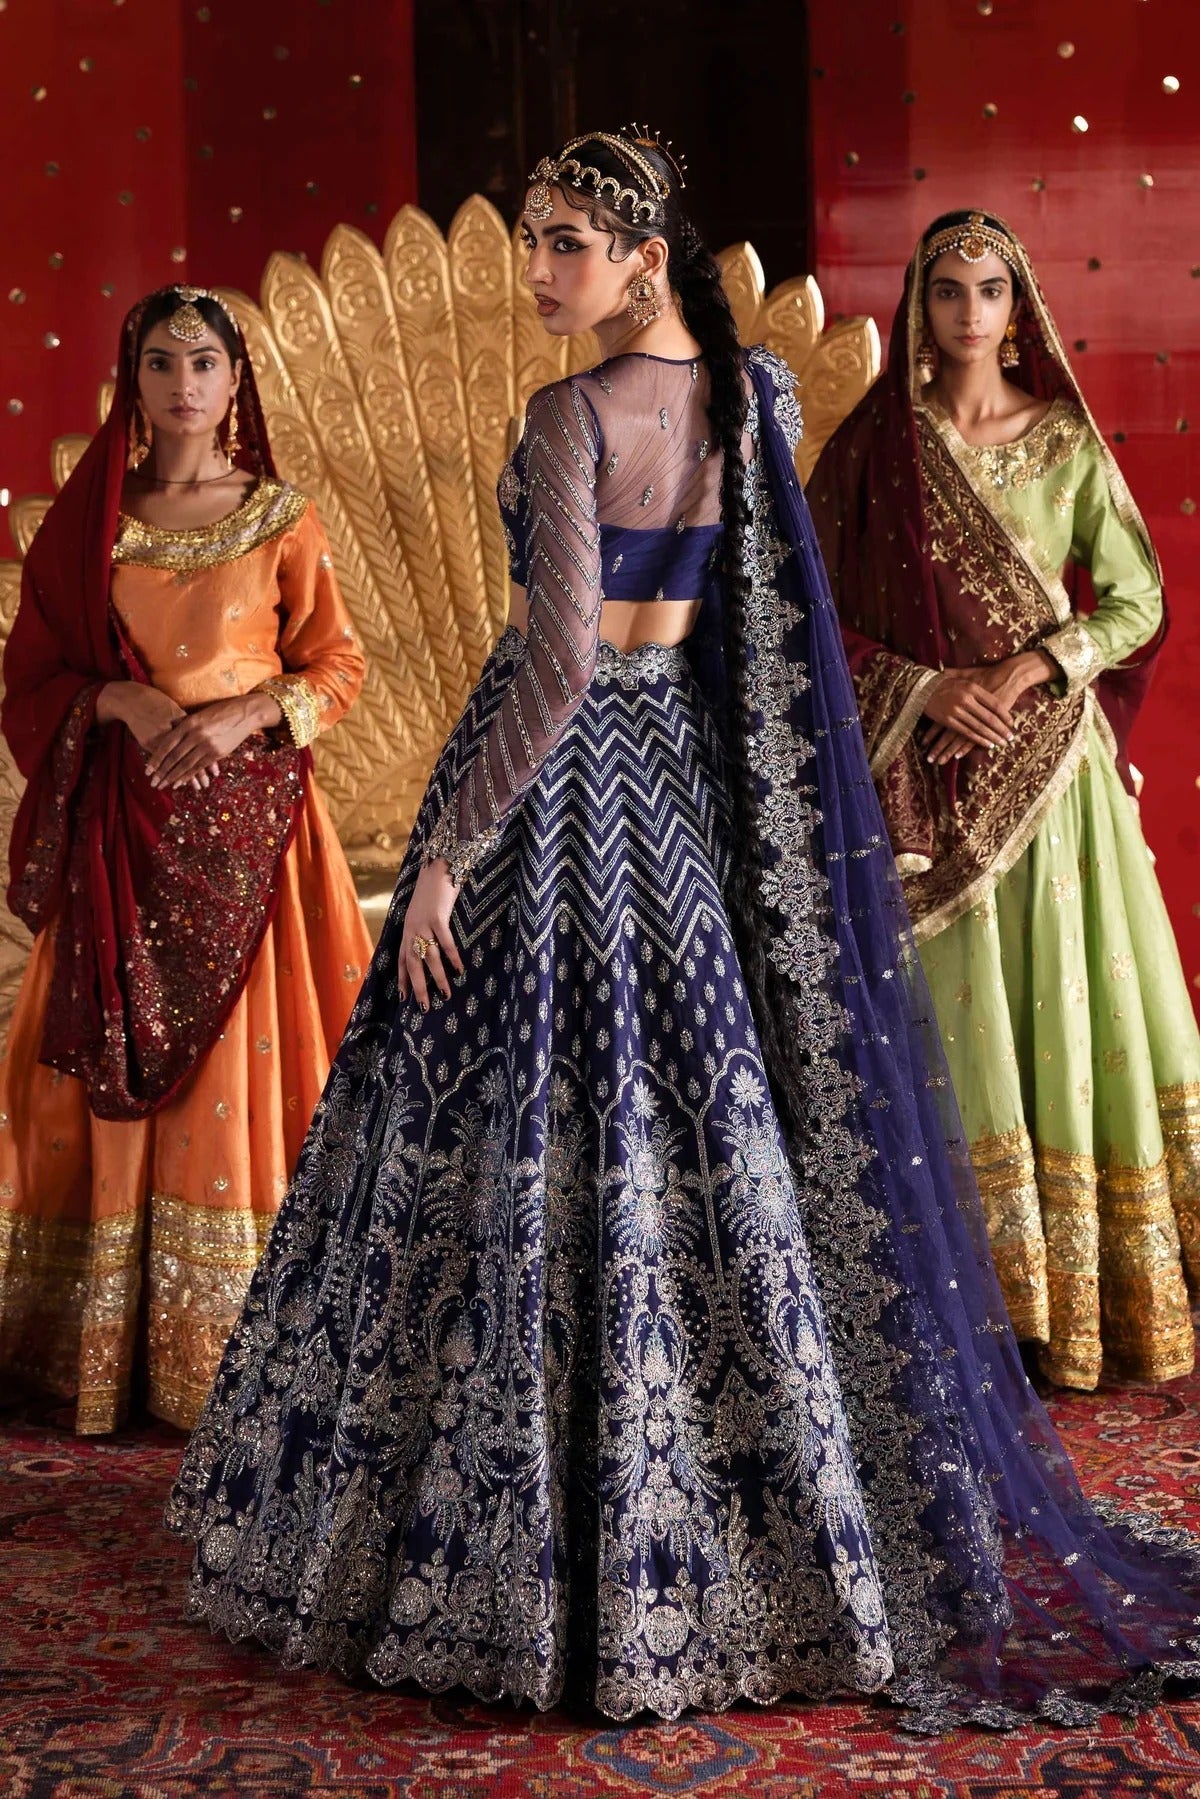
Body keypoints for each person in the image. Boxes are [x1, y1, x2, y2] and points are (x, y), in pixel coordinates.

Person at [167, 143, 1200, 1729]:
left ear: (645, 257)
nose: (539, 272)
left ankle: (510, 1538)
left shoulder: (571, 418)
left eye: (566, 245)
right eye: (533, 241)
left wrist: (446, 856)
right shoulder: (757, 400)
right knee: (700, 1119)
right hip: (694, 794)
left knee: (514, 1110)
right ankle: (765, 1527)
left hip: (559, 789)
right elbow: (751, 639)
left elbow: (557, 667)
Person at [807, 211, 1199, 1394]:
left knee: (1065, 1016)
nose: (969, 312)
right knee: (954, 1027)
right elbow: (806, 613)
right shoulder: (879, 448)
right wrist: (926, 687)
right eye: (947, 289)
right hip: (925, 789)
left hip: (1054, 785)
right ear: (917, 304)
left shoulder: (1065, 441)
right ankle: (965, 1304)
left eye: (989, 290)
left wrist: (1033, 667)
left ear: (1018, 308)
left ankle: (1078, 1300)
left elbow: (1138, 601)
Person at [0, 284, 371, 1434]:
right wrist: (116, 698)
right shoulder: (93, 522)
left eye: (203, 361)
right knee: (117, 1083)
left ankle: (248, 1353)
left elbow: (338, 666)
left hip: (258, 848)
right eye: (161, 361)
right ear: (135, 378)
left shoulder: (280, 515)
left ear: (234, 378)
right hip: (121, 844)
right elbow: (32, 678)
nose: (182, 384)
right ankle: (111, 1353)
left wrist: (246, 714)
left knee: (237, 1090)